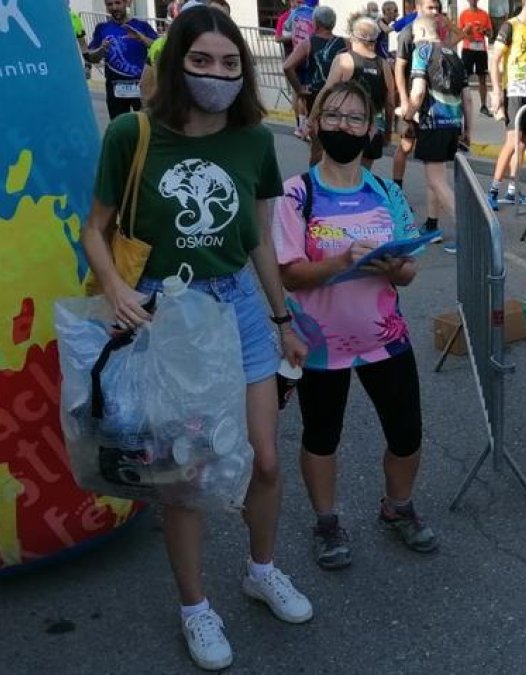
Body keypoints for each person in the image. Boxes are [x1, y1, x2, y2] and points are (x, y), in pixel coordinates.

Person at [80, 7, 313, 670]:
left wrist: (284, 318)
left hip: (237, 303)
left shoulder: (252, 140)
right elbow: (94, 227)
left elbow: (261, 240)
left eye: (229, 63)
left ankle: (261, 569)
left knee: (265, 458)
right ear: (178, 63)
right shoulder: (134, 133)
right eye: (202, 60)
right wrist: (117, 290)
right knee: (186, 470)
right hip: (167, 311)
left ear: (243, 70)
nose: (216, 74)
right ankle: (195, 606)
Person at [273, 81, 436, 572]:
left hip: (384, 338)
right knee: (322, 436)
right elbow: (288, 272)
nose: (344, 126)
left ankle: (397, 507)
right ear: (316, 123)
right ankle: (326, 522)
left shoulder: (385, 190)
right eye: (334, 116)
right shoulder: (296, 195)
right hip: (319, 344)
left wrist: (393, 268)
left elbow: (408, 271)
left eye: (355, 118)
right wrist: (340, 261)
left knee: (407, 433)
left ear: (371, 130)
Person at [405, 16, 467, 251]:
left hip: (433, 121)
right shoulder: (452, 53)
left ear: (420, 30)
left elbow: (418, 91)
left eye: (413, 33)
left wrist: (408, 115)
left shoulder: (422, 51)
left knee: (436, 180)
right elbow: (467, 97)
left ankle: (467, 230)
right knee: (437, 177)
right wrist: (467, 128)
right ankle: (432, 226)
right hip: (453, 121)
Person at [486, 0, 526, 210]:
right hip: (514, 89)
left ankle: (513, 190)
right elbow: (495, 60)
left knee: (523, 143)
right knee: (512, 141)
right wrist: (496, 92)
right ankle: (493, 190)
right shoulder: (510, 26)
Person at [394, 0, 460, 191]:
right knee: (406, 146)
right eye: (430, 7)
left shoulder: (437, 29)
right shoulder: (409, 32)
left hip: (433, 102)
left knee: (435, 166)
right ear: (418, 8)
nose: (434, 11)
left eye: (437, 8)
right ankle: (397, 191)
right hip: (414, 95)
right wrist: (405, 101)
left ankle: (432, 218)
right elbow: (399, 68)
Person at [321, 13, 396, 171]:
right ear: (375, 39)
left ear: (353, 37)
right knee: (363, 174)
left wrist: (314, 119)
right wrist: (388, 131)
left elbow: (326, 93)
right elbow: (390, 102)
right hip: (373, 128)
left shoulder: (344, 60)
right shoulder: (383, 65)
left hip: (344, 127)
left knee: (337, 172)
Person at [283, 6, 345, 149]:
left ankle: (316, 170)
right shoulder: (344, 43)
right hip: (338, 96)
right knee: (335, 142)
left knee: (317, 147)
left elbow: (287, 67)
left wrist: (299, 89)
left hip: (316, 96)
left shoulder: (308, 43)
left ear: (315, 22)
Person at [85, 0, 158, 120]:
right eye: (109, 4)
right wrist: (101, 50)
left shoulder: (142, 26)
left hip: (141, 86)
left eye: (118, 3)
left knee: (147, 127)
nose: (114, 7)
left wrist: (142, 39)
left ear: (127, 3)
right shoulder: (102, 28)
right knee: (119, 129)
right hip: (115, 89)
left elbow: (159, 47)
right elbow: (92, 57)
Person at [459, 0, 493, 117]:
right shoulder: (463, 14)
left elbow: (490, 34)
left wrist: (483, 31)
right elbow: (459, 34)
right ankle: (462, 103)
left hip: (481, 49)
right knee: (465, 77)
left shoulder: (484, 14)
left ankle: (483, 105)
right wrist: (466, 31)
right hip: (468, 49)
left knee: (482, 78)